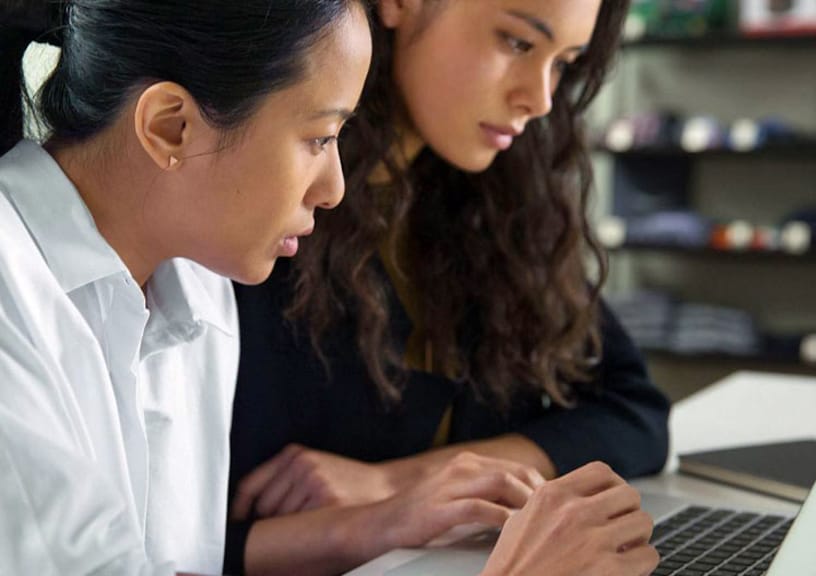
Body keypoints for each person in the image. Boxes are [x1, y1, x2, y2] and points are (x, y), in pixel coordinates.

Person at [0, 2, 657, 575]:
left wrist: (385, 516)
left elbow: (179, 562)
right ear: (170, 127)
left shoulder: (193, 287)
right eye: (318, 138)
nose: (335, 189)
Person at [228, 0, 670, 568]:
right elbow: (166, 549)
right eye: (516, 42)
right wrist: (377, 515)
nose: (540, 99)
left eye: (563, 63)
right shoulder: (255, 222)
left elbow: (634, 411)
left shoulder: (497, 202)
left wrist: (400, 481)